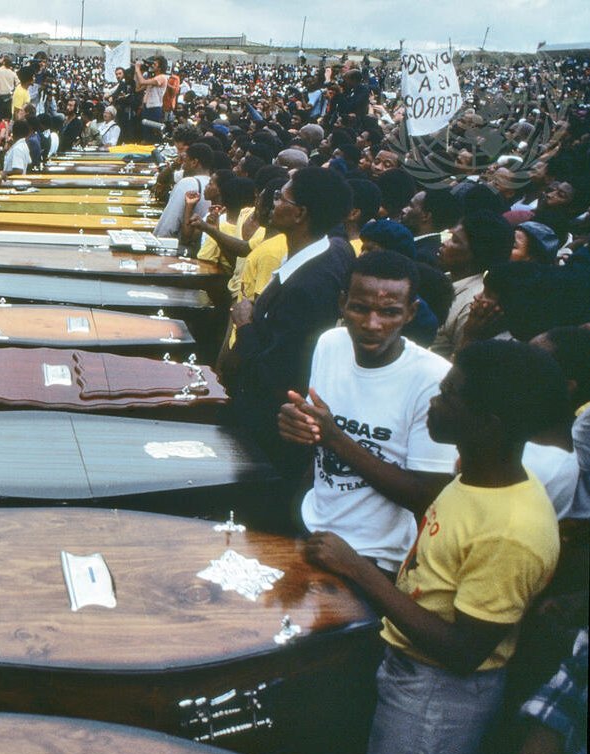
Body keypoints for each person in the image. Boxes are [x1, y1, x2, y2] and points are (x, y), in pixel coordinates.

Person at [304, 339, 568, 754]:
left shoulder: (514, 531)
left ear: (488, 424)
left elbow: (463, 651)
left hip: (437, 700)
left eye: (449, 394)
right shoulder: (471, 476)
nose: (433, 401)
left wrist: (357, 568)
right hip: (408, 669)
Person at [278, 251, 456, 576]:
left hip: (375, 559)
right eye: (360, 308)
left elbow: (427, 496)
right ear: (342, 303)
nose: (372, 325)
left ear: (410, 313)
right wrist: (298, 426)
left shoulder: (434, 379)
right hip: (310, 528)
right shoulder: (330, 344)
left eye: (389, 312)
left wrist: (335, 438)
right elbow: (316, 440)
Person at [227, 167, 355, 455]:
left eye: (280, 198)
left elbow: (275, 375)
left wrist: (245, 324)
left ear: (300, 214)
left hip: (272, 430)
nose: (273, 203)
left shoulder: (306, 288)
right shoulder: (335, 248)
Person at [429, 210, 514, 359]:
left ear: (476, 253)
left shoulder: (474, 304)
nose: (444, 242)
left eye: (455, 240)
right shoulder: (442, 280)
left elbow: (459, 366)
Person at [153, 141, 212, 239]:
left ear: (194, 162)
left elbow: (168, 225)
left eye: (185, 162)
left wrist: (156, 240)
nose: (183, 166)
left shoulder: (188, 182)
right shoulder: (214, 183)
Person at [134, 56, 168, 142]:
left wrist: (137, 69)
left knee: (152, 134)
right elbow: (138, 88)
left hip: (154, 109)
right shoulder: (153, 78)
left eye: (155, 64)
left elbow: (142, 82)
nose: (152, 65)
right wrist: (140, 72)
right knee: (146, 134)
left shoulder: (162, 77)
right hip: (147, 107)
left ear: (160, 67)